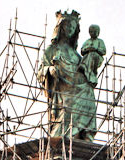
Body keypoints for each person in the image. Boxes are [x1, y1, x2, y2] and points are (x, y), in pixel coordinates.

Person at [37, 10, 96, 141]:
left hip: (80, 87)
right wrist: (50, 70)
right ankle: (60, 140)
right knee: (68, 105)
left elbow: (85, 71)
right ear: (61, 27)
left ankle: (85, 135)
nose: (70, 29)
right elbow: (41, 71)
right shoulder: (52, 50)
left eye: (73, 27)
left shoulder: (76, 55)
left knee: (89, 93)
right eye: (68, 26)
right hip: (63, 89)